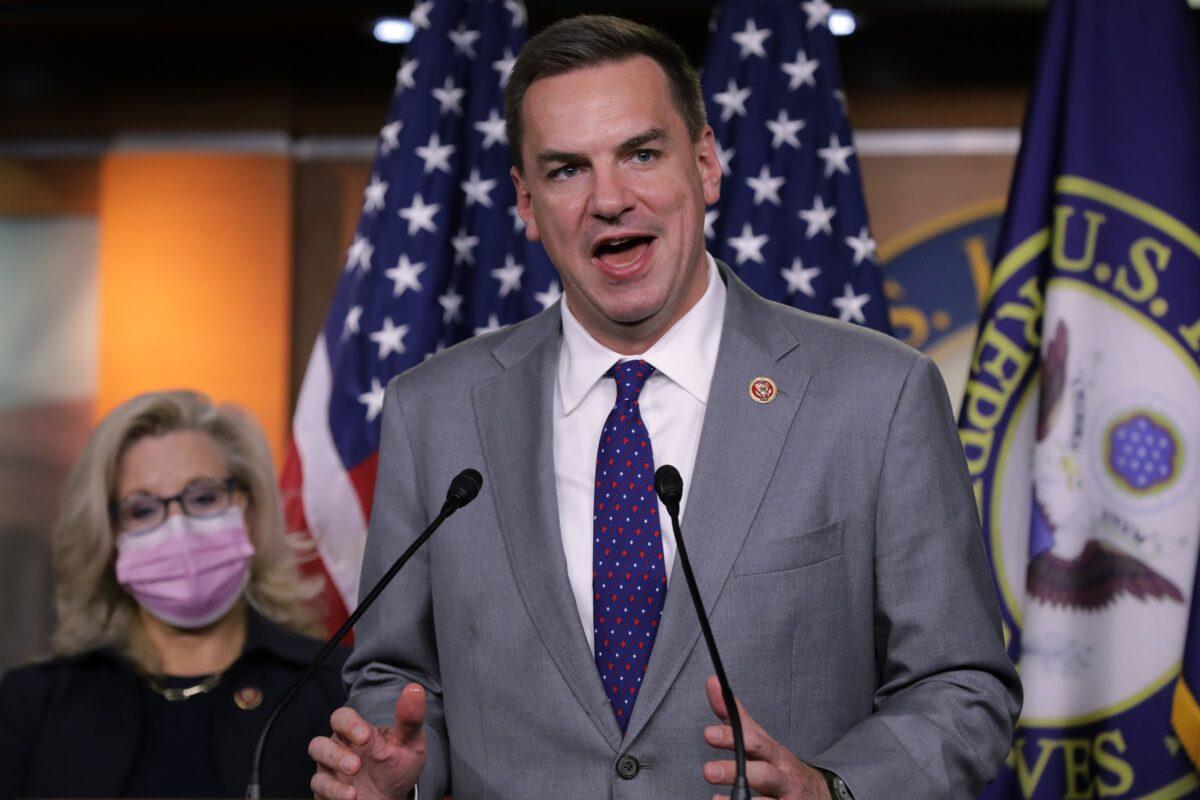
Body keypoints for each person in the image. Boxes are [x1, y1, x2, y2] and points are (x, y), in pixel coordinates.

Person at [310, 15, 1021, 800]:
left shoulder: (876, 395)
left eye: (642, 154)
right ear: (525, 202)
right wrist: (398, 777)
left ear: (706, 164)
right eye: (567, 169)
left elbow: (963, 686)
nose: (610, 199)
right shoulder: (432, 413)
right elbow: (397, 677)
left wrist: (832, 787)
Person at [0, 390, 347, 799]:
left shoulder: (335, 687)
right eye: (142, 510)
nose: (178, 527)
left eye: (203, 497)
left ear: (248, 511)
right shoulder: (33, 704)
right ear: (108, 537)